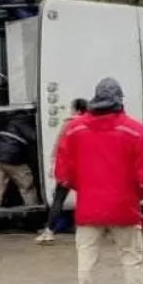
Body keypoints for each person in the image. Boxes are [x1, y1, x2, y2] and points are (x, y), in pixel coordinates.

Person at [53, 77, 143, 284]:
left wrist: (86, 188)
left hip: (89, 207)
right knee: (131, 260)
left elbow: (63, 173)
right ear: (120, 100)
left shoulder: (74, 130)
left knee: (86, 260)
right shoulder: (135, 130)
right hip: (125, 207)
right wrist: (135, 195)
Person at [36, 98, 88, 244]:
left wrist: (53, 163)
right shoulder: (91, 123)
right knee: (86, 198)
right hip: (85, 166)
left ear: (76, 109)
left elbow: (60, 144)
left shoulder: (69, 123)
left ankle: (49, 231)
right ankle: (88, 229)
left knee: (59, 198)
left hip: (68, 167)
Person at [0, 113, 39, 210]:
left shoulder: (6, 121)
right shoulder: (22, 121)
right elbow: (35, 136)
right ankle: (33, 210)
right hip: (12, 157)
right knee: (27, 185)